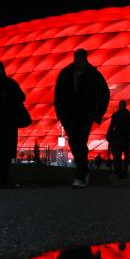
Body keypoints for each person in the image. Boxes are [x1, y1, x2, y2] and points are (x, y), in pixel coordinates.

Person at [54, 49, 110, 188]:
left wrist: (98, 113)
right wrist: (60, 113)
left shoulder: (94, 75)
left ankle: (80, 175)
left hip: (85, 115)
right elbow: (58, 95)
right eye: (77, 59)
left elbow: (104, 93)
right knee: (74, 143)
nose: (78, 61)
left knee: (80, 140)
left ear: (85, 59)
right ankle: (84, 171)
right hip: (69, 115)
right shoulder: (66, 73)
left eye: (81, 59)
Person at [106, 100, 130, 178]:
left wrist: (109, 135)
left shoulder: (116, 115)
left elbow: (111, 126)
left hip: (121, 138)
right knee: (122, 155)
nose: (121, 107)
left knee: (120, 155)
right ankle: (122, 171)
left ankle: (121, 171)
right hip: (123, 138)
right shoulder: (128, 115)